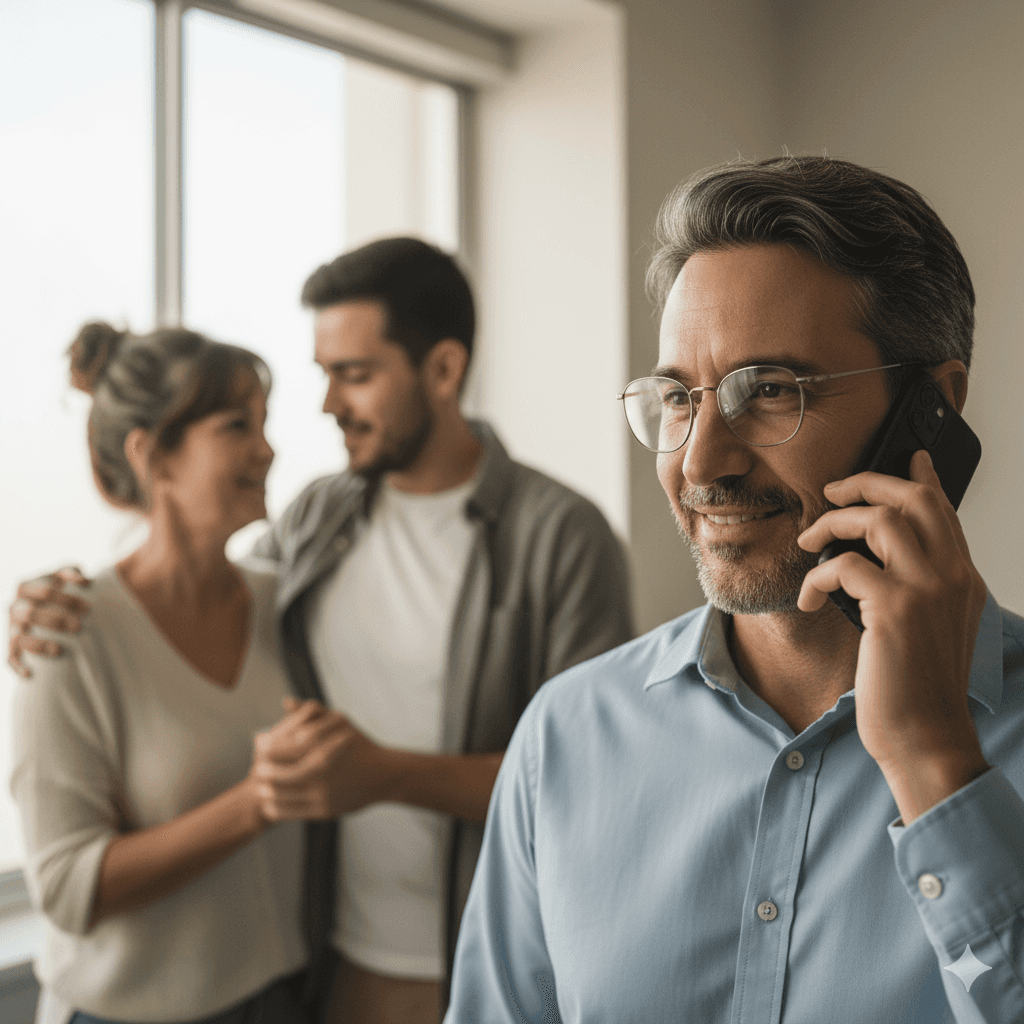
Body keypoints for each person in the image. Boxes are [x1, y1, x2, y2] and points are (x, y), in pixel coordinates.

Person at [444, 156, 1024, 1023]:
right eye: (679, 398)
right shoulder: (564, 737)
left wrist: (937, 762)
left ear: (932, 409)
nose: (701, 462)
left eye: (772, 390)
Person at [9, 238, 635, 1024]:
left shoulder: (562, 537)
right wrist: (42, 601)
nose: (328, 405)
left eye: (356, 374)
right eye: (323, 373)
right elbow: (178, 590)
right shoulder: (314, 522)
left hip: (491, 961)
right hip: (325, 971)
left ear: (442, 371)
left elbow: (600, 781)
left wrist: (386, 775)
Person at [10, 322, 311, 1024]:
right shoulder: (68, 634)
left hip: (280, 1000)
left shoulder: (283, 602)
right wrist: (256, 803)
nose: (267, 449)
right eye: (238, 425)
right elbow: (63, 885)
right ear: (153, 456)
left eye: (264, 424)